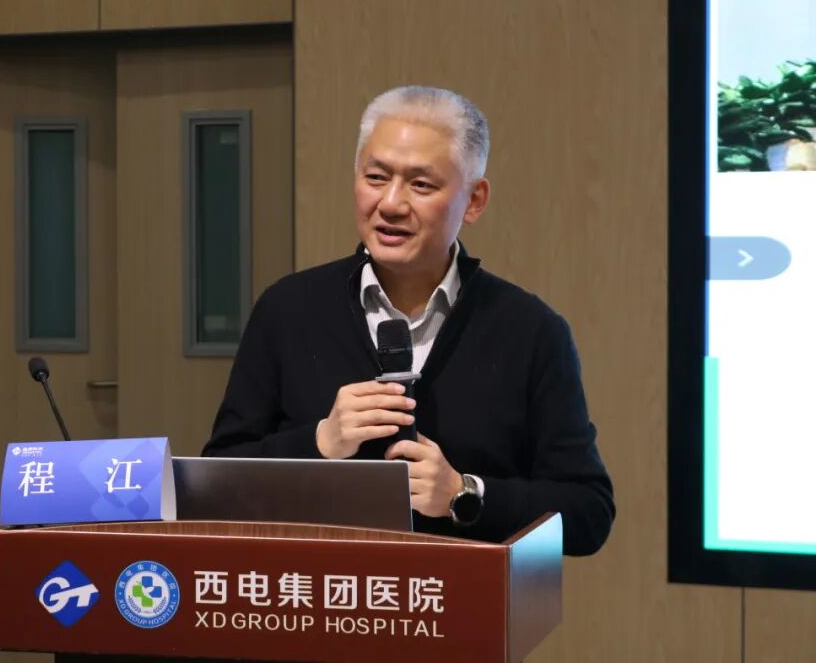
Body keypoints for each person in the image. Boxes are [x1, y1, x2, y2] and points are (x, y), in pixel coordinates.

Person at [201, 86, 614, 555]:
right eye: (376, 177)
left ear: (474, 200)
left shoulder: (531, 331)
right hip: (316, 591)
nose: (392, 204)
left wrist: (465, 493)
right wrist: (319, 442)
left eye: (421, 185)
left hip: (453, 597)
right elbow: (217, 481)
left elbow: (589, 513)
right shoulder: (288, 309)